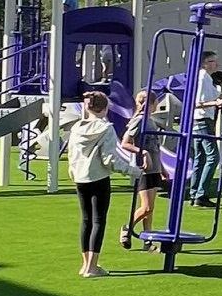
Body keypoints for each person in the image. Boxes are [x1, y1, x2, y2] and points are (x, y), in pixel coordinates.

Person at [67, 91, 141, 278]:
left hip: (80, 178)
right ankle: (92, 266)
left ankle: (85, 265)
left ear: (87, 107)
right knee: (98, 220)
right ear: (106, 108)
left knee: (86, 220)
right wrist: (133, 171)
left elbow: (71, 153)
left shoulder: (76, 127)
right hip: (98, 178)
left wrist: (73, 172)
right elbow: (110, 159)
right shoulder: (106, 128)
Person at [119, 89, 162, 250]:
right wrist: (141, 152)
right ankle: (127, 228)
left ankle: (148, 241)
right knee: (146, 207)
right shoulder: (139, 120)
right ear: (152, 103)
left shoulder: (151, 121)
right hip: (144, 170)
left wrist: (162, 168)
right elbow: (125, 142)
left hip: (155, 169)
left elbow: (156, 148)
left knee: (150, 209)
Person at [190, 50, 222, 208]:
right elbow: (198, 102)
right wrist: (217, 104)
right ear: (204, 63)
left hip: (199, 120)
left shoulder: (204, 78)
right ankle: (201, 194)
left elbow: (210, 97)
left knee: (200, 157)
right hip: (203, 120)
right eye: (212, 61)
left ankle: (194, 193)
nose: (216, 64)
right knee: (213, 157)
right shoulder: (203, 77)